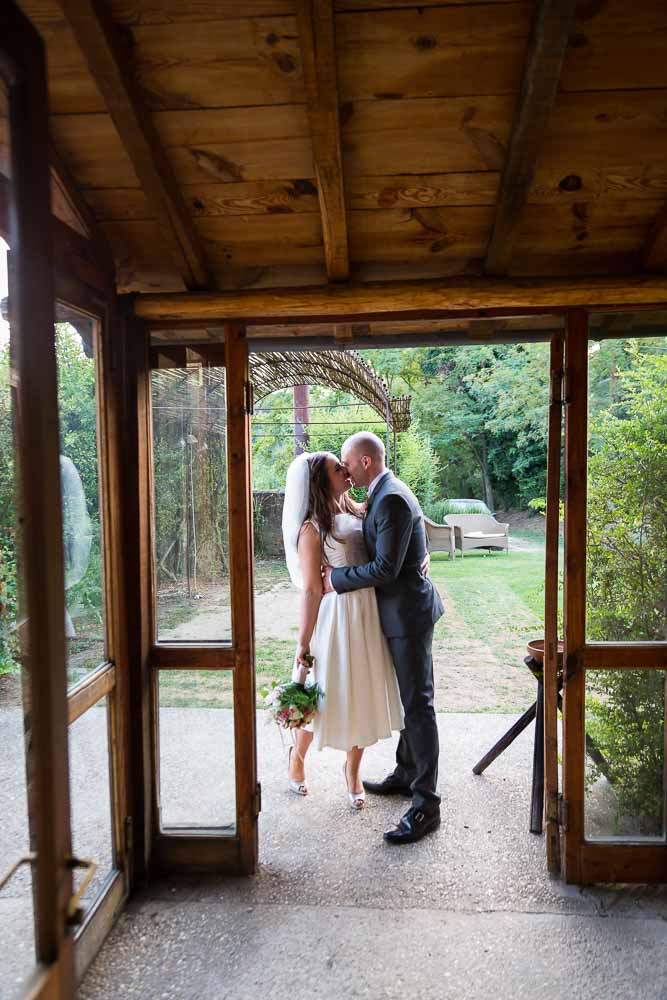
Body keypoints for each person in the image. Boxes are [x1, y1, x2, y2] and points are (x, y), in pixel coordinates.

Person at [322, 432, 444, 845]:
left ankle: (426, 804)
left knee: (418, 705)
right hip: (401, 611)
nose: (345, 469)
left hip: (407, 615)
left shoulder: (390, 496)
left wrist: (334, 579)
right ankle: (407, 773)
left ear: (366, 462)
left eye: (348, 462)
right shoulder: (386, 491)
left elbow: (385, 568)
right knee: (411, 700)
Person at [282, 451, 404, 810]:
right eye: (338, 468)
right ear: (321, 480)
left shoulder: (359, 511)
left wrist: (419, 556)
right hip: (335, 619)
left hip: (368, 614)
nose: (346, 470)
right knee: (323, 696)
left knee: (363, 694)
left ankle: (352, 770)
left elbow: (388, 550)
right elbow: (311, 589)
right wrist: (303, 642)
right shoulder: (311, 527)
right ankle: (297, 759)